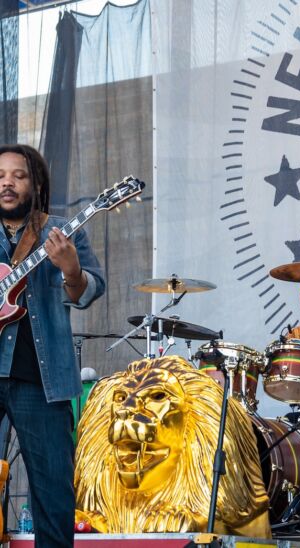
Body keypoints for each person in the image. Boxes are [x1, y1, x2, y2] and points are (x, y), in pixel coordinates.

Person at [0, 144, 105, 547]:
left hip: (39, 381)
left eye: (19, 175)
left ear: (36, 183)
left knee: (53, 493)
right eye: (1, 175)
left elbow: (87, 292)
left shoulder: (61, 230)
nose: (8, 182)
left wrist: (72, 269)